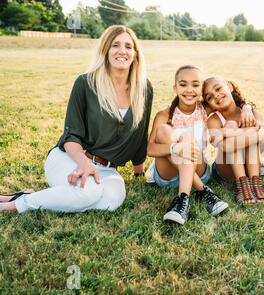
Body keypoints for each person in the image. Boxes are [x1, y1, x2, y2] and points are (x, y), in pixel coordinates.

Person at [0, 25, 153, 213]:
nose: (122, 51)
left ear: (136, 54)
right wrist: (83, 164)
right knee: (88, 193)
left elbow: (140, 134)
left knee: (111, 202)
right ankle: (15, 205)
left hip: (108, 170)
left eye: (129, 47)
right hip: (70, 158)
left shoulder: (143, 89)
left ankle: (38, 195)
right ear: (105, 50)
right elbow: (71, 136)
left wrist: (139, 172)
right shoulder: (85, 83)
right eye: (115, 45)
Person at [148, 66, 256, 225]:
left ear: (201, 91)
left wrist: (247, 107)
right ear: (175, 88)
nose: (189, 90)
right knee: (165, 131)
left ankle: (182, 201)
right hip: (168, 175)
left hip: (199, 169)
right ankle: (204, 192)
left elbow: (231, 100)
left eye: (195, 85)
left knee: (187, 137)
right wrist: (174, 148)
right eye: (183, 85)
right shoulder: (164, 114)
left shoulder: (204, 109)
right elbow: (150, 149)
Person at [203, 76, 264, 206]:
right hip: (225, 169)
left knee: (243, 129)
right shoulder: (214, 120)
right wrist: (255, 133)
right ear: (209, 104)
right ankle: (242, 185)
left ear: (229, 86)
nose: (216, 96)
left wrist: (247, 110)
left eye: (218, 88)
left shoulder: (253, 114)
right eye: (209, 97)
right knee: (232, 125)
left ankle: (255, 185)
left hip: (252, 168)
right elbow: (226, 147)